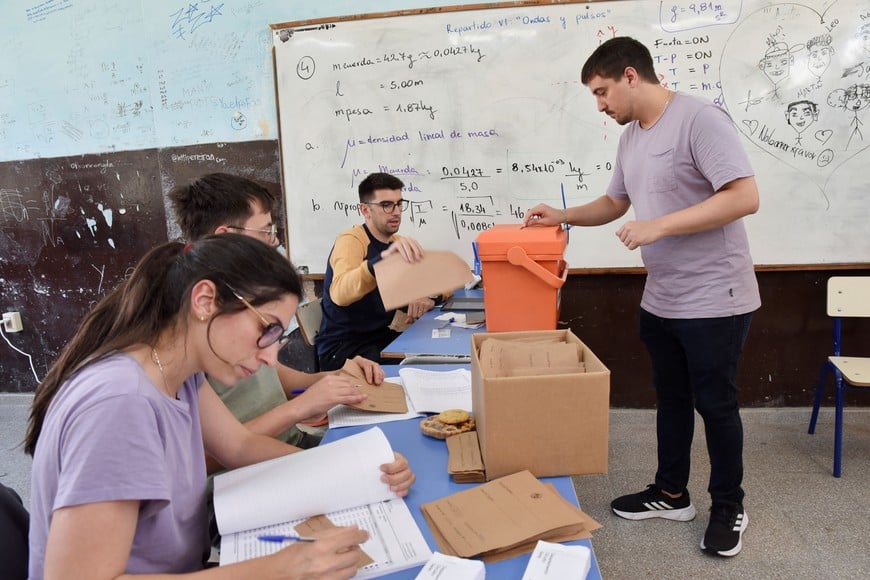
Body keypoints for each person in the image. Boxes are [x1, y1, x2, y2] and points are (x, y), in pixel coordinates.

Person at [25, 234, 415, 579]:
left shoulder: (181, 371)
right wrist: (280, 569)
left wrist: (362, 466)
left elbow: (239, 446)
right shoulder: (119, 405)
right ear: (205, 301)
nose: (270, 357)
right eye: (269, 330)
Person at [524, 37, 760, 558]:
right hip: (664, 296)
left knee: (717, 406)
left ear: (632, 76)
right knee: (671, 398)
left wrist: (658, 227)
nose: (601, 105)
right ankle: (671, 493)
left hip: (716, 297)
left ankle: (729, 506)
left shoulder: (700, 119)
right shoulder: (631, 137)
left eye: (603, 92)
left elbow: (745, 196)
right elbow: (615, 201)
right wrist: (562, 216)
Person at [169, 172, 385, 455]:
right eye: (266, 230)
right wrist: (298, 408)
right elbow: (212, 455)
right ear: (227, 237)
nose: (275, 241)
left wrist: (335, 379)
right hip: (246, 476)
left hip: (286, 447)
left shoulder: (248, 301)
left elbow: (280, 381)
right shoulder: (201, 324)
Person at [317, 172, 436, 371]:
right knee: (423, 368)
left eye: (399, 204)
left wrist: (428, 296)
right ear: (365, 210)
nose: (396, 211)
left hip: (379, 340)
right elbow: (339, 294)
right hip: (343, 351)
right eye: (386, 205)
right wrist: (379, 263)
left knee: (433, 355)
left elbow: (429, 281)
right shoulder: (351, 240)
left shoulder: (395, 244)